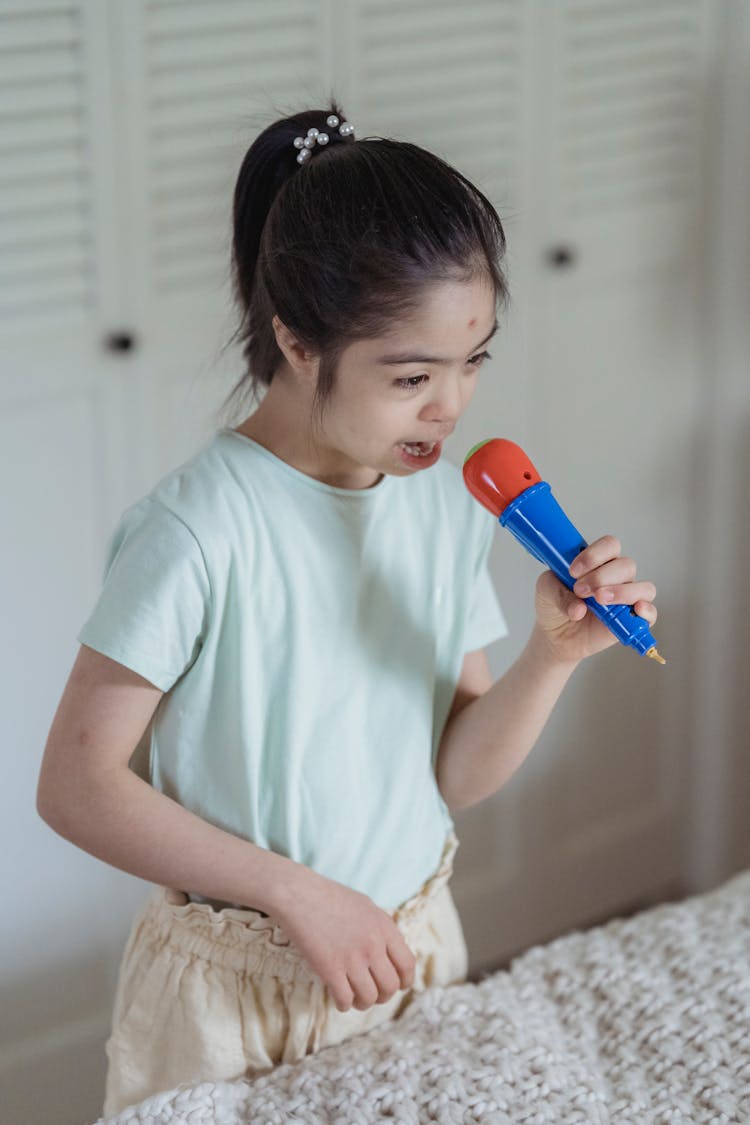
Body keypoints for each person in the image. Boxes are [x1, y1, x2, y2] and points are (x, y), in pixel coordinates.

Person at [37, 104, 658, 1117]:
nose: (450, 407)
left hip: (407, 954)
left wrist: (553, 656)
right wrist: (293, 891)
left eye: (473, 363)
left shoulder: (443, 504)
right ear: (295, 339)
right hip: (233, 1002)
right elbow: (74, 786)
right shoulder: (197, 530)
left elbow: (455, 772)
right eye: (412, 376)